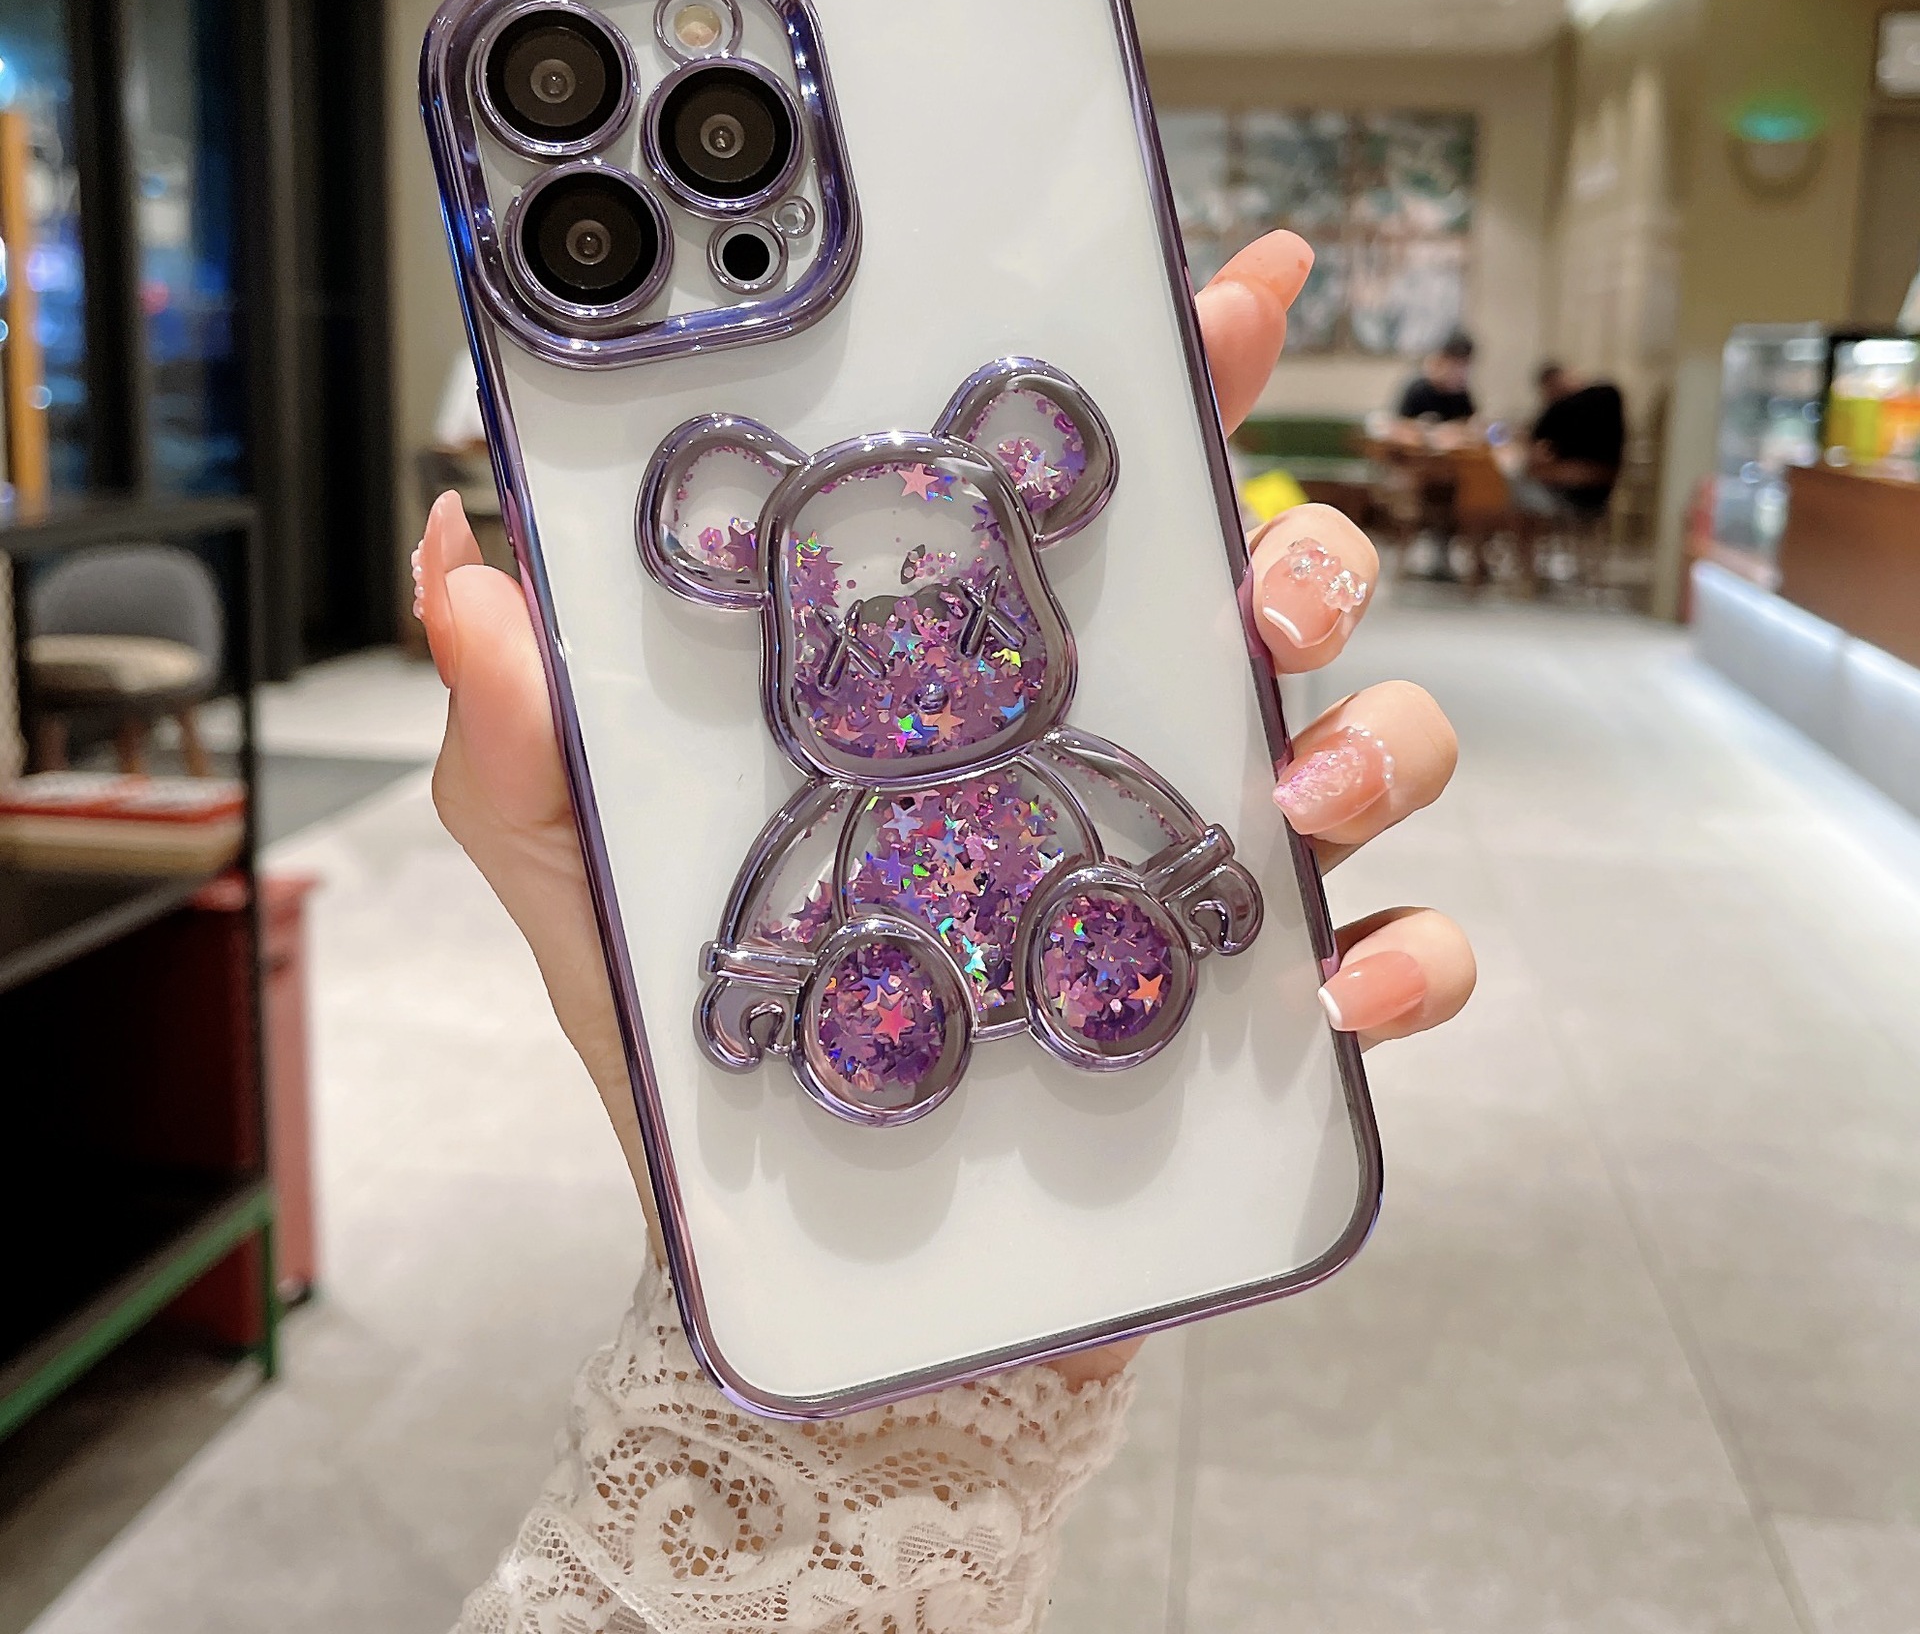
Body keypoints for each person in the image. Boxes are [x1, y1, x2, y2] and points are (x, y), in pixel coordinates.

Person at [414, 228, 1476, 1634]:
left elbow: (1133, 799)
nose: (916, 651)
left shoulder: (1046, 762)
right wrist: (761, 980)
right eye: (857, 637)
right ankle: (893, 1014)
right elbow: (787, 883)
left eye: (961, 614)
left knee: (1091, 923)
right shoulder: (840, 812)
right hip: (901, 977)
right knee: (874, 972)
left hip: (1061, 922)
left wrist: (1203, 873)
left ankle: (1089, 960)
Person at [1512, 361, 1626, 519]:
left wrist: (1539, 469)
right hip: (1571, 488)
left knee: (1512, 486)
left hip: (1577, 495)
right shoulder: (1562, 413)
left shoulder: (1599, 400)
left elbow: (1597, 472)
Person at [1394, 329, 1477, 425]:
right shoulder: (1417, 390)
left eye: (1464, 365)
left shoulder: (1460, 394)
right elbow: (1400, 424)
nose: (1460, 372)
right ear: (1439, 361)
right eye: (1455, 365)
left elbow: (1469, 422)